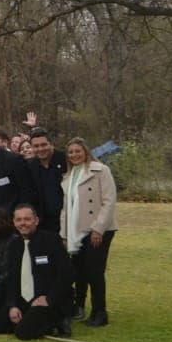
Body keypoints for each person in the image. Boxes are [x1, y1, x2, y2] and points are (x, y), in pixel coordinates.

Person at [0, 201, 73, 340]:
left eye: (27, 219)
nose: (23, 223)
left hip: (48, 300)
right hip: (25, 300)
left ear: (36, 220)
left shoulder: (51, 240)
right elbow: (12, 279)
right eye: (19, 220)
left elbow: (67, 274)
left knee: (23, 333)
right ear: (14, 222)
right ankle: (31, 320)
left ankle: (59, 321)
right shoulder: (14, 245)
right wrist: (12, 305)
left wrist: (49, 298)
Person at [61, 136, 117, 327]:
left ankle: (100, 312)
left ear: (85, 151)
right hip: (75, 230)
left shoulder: (100, 170)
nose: (74, 155)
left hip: (97, 230)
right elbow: (65, 208)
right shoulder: (68, 176)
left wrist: (98, 229)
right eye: (71, 152)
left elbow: (109, 201)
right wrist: (64, 234)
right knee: (79, 272)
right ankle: (79, 306)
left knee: (95, 271)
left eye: (78, 151)